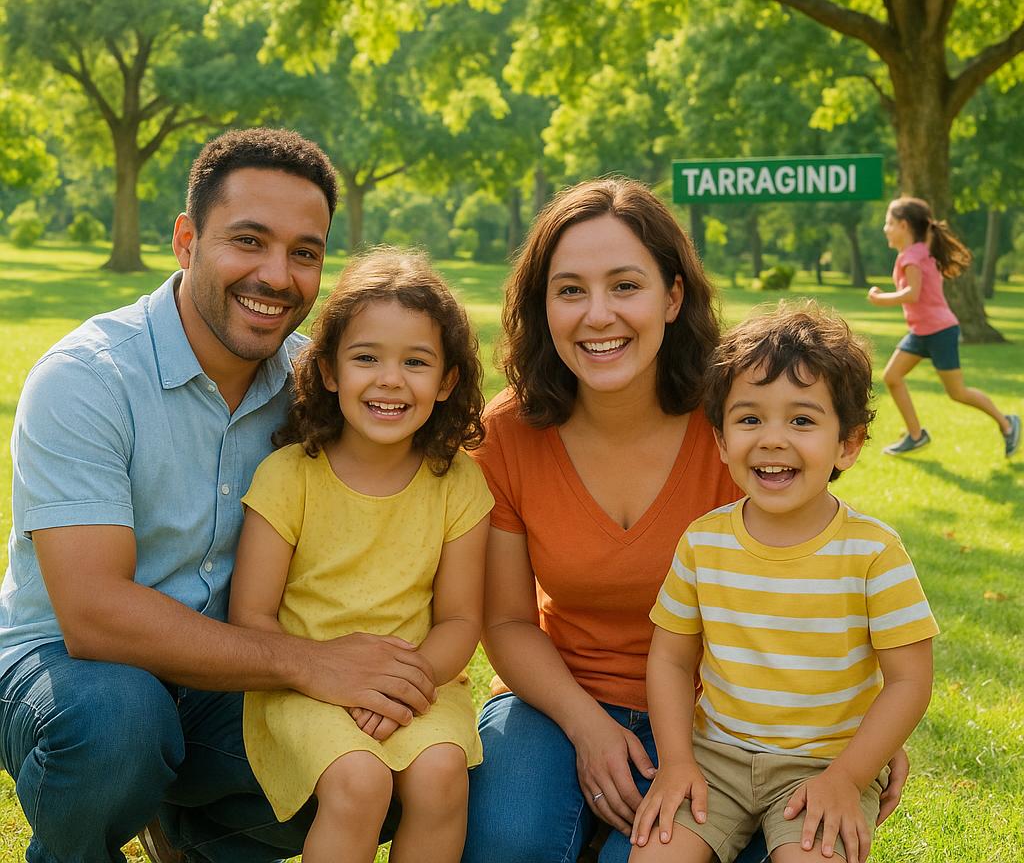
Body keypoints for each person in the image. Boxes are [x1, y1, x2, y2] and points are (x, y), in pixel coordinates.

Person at [0, 129, 437, 863]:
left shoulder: (317, 386)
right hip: (72, 672)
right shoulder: (87, 379)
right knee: (118, 724)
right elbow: (94, 617)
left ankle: (192, 837)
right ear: (186, 241)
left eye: (305, 252)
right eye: (248, 241)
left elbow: (422, 465)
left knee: (388, 754)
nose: (277, 275)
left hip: (228, 680)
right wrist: (309, 663)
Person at [461, 177, 902, 863]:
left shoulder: (739, 424)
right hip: (556, 699)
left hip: (727, 727)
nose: (598, 315)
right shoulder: (509, 432)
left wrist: (855, 732)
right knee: (507, 842)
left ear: (672, 297)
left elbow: (814, 574)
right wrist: (588, 729)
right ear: (542, 306)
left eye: (625, 286)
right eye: (569, 290)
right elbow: (508, 622)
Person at [630, 304, 937, 863]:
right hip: (714, 758)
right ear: (721, 441)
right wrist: (676, 762)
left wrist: (848, 778)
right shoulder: (702, 542)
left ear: (848, 443)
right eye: (749, 420)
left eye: (801, 421)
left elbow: (909, 682)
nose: (772, 440)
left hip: (826, 765)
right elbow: (671, 660)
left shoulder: (874, 553)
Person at [229, 248, 493, 863]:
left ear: (447, 381)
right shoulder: (288, 477)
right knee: (360, 779)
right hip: (301, 685)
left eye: (416, 362)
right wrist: (336, 681)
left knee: (442, 773)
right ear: (328, 371)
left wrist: (402, 688)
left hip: (420, 683)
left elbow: (460, 620)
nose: (390, 380)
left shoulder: (458, 482)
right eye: (366, 358)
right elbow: (251, 617)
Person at [867, 195, 1020, 457]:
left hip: (939, 331)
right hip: (921, 331)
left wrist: (880, 299)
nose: (885, 229)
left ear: (904, 225)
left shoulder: (912, 256)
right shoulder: (920, 250)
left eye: (889, 223)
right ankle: (916, 436)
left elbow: (913, 293)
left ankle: (1008, 424)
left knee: (957, 392)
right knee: (892, 377)